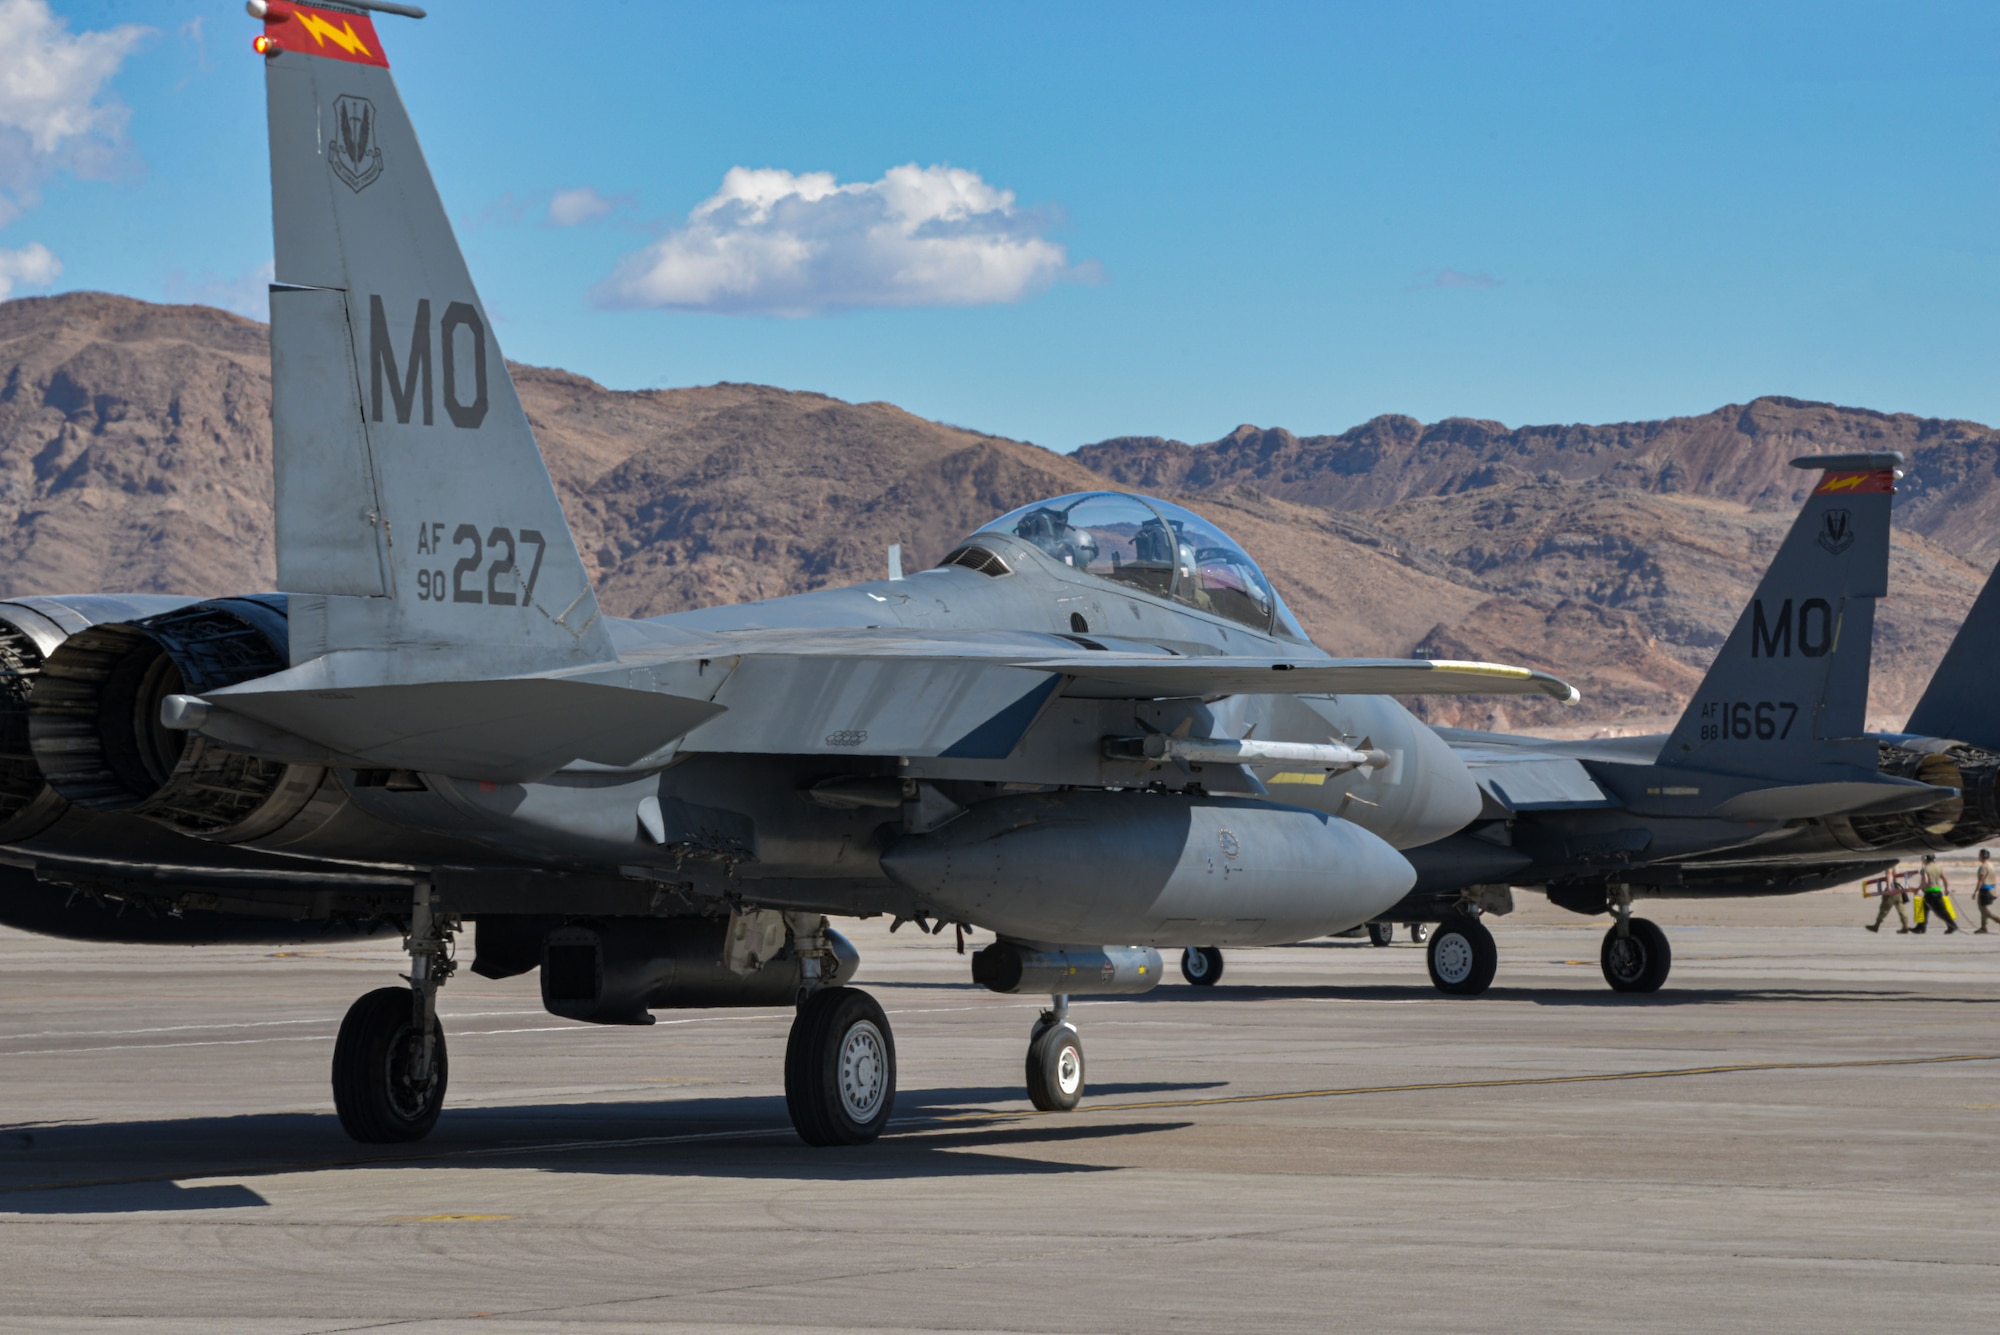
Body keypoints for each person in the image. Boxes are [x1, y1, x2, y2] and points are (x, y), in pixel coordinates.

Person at [1911, 854, 1959, 935]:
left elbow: (1925, 881)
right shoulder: (1938, 868)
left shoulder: (1925, 869)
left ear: (1925, 859)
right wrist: (1946, 889)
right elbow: (1945, 879)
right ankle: (1921, 927)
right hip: (1938, 891)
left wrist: (1918, 889)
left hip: (1930, 893)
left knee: (1940, 911)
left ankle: (1952, 925)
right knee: (1925, 909)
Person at [1867, 865, 1911, 933]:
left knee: (1884, 909)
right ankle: (1905, 927)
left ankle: (1876, 926)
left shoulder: (1889, 864)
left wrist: (1889, 887)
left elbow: (1889, 874)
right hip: (1898, 890)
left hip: (1892, 890)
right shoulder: (1896, 865)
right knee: (1901, 909)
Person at [1977, 850, 1998, 934]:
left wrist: (1975, 891)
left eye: (1979, 855)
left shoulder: (1983, 866)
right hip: (1991, 889)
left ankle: (1997, 919)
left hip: (1985, 890)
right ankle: (1983, 927)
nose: (1978, 857)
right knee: (1983, 907)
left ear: (1982, 856)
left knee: (1983, 908)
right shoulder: (1991, 865)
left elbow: (1980, 880)